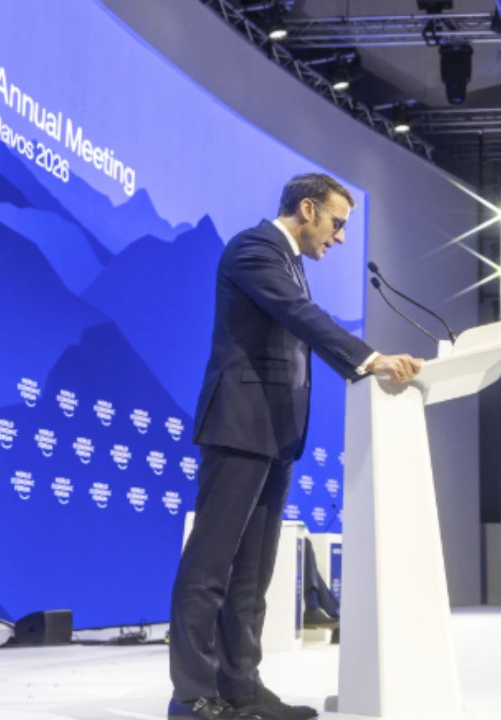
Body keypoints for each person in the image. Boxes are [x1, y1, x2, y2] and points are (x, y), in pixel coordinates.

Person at [169, 174, 423, 720]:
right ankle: (192, 696)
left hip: (275, 434)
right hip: (238, 427)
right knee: (209, 568)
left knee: (253, 574)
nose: (340, 237)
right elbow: (304, 319)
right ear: (307, 209)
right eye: (337, 223)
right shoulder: (255, 248)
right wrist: (370, 359)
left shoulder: (291, 263)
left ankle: (240, 687)